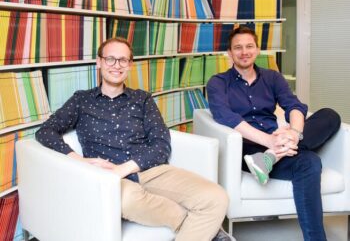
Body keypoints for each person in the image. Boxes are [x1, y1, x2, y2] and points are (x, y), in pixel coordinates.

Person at [36, 37, 235, 241]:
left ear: (130, 65)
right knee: (127, 199)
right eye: (110, 59)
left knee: (216, 197)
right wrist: (78, 159)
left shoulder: (143, 99)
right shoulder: (81, 100)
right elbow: (45, 131)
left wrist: (125, 168)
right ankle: (206, 230)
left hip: (149, 170)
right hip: (108, 177)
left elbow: (161, 144)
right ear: (99, 62)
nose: (117, 65)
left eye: (123, 60)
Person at [207, 26, 341, 241]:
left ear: (257, 49)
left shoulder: (272, 77)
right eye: (238, 48)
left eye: (249, 46)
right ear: (229, 53)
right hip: (248, 149)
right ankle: (269, 155)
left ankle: (270, 157)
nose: (244, 52)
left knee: (330, 116)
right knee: (311, 161)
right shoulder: (218, 82)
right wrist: (270, 140)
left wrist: (294, 134)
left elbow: (293, 106)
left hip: (275, 145)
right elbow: (225, 117)